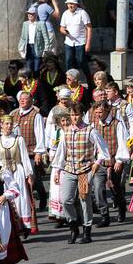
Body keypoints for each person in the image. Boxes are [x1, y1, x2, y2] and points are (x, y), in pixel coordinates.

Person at [51, 102, 109, 244]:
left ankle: (86, 230)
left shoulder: (90, 131)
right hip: (69, 169)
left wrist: (97, 163)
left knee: (84, 199)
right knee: (65, 200)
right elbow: (61, 153)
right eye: (72, 115)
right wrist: (58, 170)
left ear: (82, 115)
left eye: (76, 114)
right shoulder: (67, 131)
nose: (74, 117)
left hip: (85, 170)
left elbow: (103, 150)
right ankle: (73, 225)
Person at [0, 113, 36, 236]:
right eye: (6, 124)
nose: (9, 126)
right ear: (2, 125)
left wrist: (29, 175)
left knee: (20, 198)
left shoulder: (18, 139)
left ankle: (23, 226)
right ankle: (11, 226)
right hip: (4, 173)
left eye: (10, 124)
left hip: (18, 170)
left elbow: (25, 158)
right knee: (7, 198)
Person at [60, 0, 93, 75]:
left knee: (81, 61)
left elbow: (89, 28)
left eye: (72, 4)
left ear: (76, 4)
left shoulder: (82, 13)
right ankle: (69, 81)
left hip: (80, 42)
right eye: (69, 4)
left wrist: (88, 43)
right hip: (69, 42)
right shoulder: (65, 14)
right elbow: (61, 28)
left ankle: (89, 80)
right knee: (68, 61)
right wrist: (64, 31)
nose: (70, 6)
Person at [18, 6, 52, 73]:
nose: (30, 15)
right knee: (28, 68)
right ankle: (30, 82)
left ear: (36, 14)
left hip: (38, 48)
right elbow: (23, 38)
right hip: (28, 47)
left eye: (32, 14)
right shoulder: (25, 24)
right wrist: (20, 47)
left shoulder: (41, 24)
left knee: (37, 68)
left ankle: (36, 82)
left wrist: (46, 50)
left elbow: (46, 38)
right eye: (29, 14)